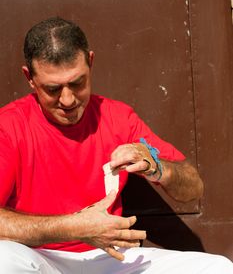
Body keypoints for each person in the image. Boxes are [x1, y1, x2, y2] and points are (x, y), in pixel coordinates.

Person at [0, 17, 232, 274]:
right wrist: (73, 227)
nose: (67, 100)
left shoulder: (117, 117)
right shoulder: (9, 126)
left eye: (77, 83)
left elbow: (193, 188)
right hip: (39, 258)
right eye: (53, 89)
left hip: (112, 258)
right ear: (29, 78)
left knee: (218, 268)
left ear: (91, 62)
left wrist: (156, 167)